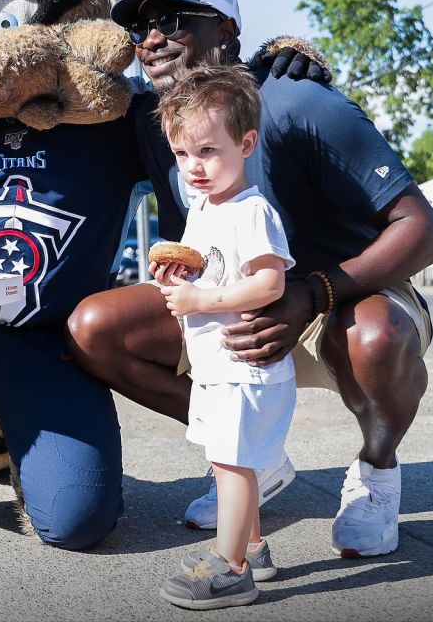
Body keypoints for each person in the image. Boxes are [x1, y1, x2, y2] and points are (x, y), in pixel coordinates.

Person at [67, 0, 433, 558]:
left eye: (170, 19)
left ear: (225, 30)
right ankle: (254, 462)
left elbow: (424, 230)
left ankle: (377, 471)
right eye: (140, 29)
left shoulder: (297, 101)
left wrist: (312, 293)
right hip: (228, 303)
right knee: (94, 329)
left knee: (377, 337)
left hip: (340, 298)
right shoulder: (151, 121)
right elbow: (55, 106)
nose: (151, 40)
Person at [151, 65, 295, 609]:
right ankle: (253, 546)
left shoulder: (251, 211)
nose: (194, 167)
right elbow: (210, 269)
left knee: (234, 465)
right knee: (226, 460)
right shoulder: (202, 207)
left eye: (208, 151)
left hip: (245, 366)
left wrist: (199, 301)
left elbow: (268, 280)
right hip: (217, 365)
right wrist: (180, 281)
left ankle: (231, 568)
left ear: (246, 143)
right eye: (182, 154)